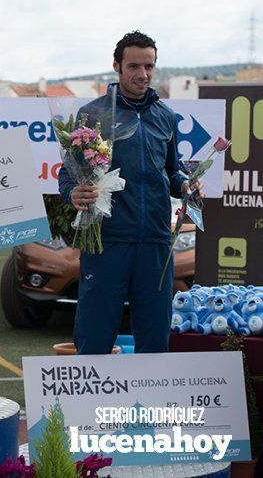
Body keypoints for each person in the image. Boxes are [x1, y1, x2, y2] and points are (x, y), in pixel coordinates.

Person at [58, 31, 201, 355]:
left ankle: (152, 404)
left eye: (149, 66)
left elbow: (171, 169)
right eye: (134, 66)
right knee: (94, 337)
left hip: (155, 241)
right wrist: (73, 194)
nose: (143, 74)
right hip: (107, 240)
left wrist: (185, 185)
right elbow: (68, 174)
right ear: (117, 67)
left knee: (155, 338)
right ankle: (87, 406)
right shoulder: (93, 114)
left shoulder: (165, 116)